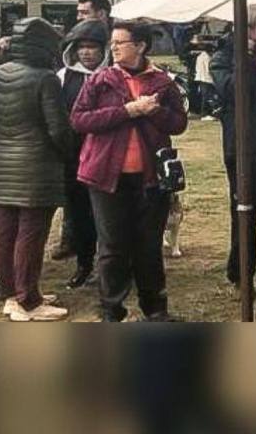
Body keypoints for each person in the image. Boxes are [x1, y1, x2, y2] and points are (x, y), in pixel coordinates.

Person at [71, 20, 187, 322]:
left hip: (150, 177)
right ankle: (112, 310)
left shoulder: (162, 82)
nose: (113, 48)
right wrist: (127, 111)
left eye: (119, 43)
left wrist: (155, 111)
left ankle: (156, 309)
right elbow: (80, 120)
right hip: (106, 175)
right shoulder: (100, 80)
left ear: (140, 46)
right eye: (112, 43)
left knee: (149, 246)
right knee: (112, 247)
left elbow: (179, 123)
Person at [0, 18, 71, 321]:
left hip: (0, 162)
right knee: (32, 233)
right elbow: (58, 129)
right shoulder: (46, 78)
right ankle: (28, 300)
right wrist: (71, 154)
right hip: (37, 165)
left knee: (4, 230)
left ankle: (11, 295)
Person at [210, 4, 256, 293]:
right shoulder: (223, 57)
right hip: (241, 147)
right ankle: (241, 273)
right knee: (244, 213)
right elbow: (233, 90)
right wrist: (246, 57)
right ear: (247, 29)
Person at [57, 19, 108, 290]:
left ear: (103, 50)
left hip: (106, 153)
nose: (87, 52)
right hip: (74, 155)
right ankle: (84, 264)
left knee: (109, 216)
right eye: (81, 47)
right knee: (79, 213)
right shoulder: (64, 77)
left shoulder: (113, 75)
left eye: (92, 47)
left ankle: (111, 267)